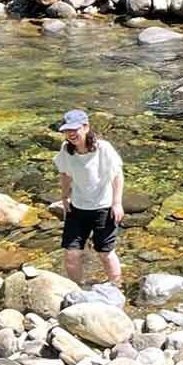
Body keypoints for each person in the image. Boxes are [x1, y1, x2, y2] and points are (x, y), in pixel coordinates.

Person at [53, 109, 125, 286]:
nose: (70, 134)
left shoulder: (103, 148)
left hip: (103, 207)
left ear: (86, 127)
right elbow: (65, 174)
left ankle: (116, 287)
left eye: (74, 129)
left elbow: (117, 175)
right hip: (77, 208)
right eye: (66, 131)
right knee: (72, 254)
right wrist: (64, 196)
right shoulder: (66, 149)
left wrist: (117, 203)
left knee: (105, 253)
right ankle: (77, 288)